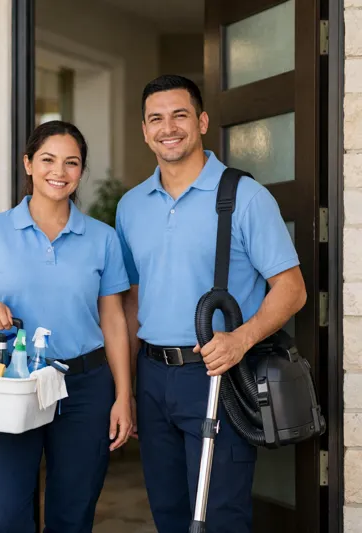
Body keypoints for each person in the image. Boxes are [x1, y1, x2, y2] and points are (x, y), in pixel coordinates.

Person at [115, 75, 307, 533]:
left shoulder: (245, 196)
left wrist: (241, 340)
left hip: (217, 376)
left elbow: (292, 288)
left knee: (219, 517)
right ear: (144, 130)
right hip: (153, 376)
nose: (169, 127)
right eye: (156, 118)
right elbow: (132, 299)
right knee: (169, 515)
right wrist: (130, 387)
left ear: (201, 121)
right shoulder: (130, 207)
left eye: (180, 115)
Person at [0, 120, 134, 533]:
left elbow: (114, 321)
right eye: (48, 159)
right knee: (6, 515)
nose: (59, 171)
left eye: (72, 163)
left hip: (84, 388)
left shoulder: (102, 239)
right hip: (10, 382)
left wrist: (123, 396)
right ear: (28, 164)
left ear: (81, 172)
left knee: (72, 517)